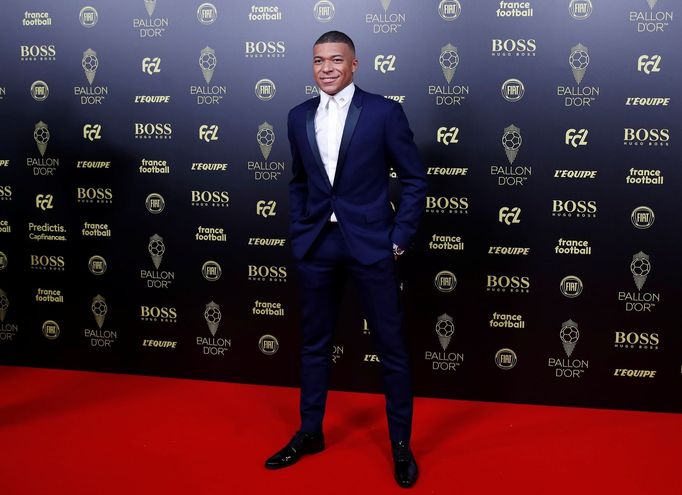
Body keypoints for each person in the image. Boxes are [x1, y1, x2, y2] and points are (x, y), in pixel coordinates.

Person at [264, 30, 427, 488]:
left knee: (392, 349)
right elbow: (298, 181)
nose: (327, 68)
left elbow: (415, 179)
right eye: (318, 60)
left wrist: (397, 239)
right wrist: (301, 229)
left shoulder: (383, 112)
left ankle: (400, 445)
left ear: (355, 64)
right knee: (314, 344)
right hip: (318, 244)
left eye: (336, 59)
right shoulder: (298, 116)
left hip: (372, 245)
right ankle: (310, 432)